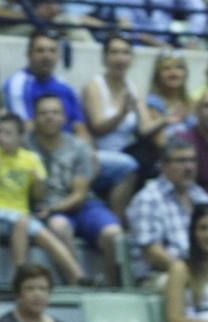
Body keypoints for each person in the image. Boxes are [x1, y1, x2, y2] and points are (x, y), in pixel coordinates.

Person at [0, 112, 87, 290]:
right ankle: (15, 279)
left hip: (20, 216)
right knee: (18, 222)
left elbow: (38, 196)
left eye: (7, 133)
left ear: (21, 137)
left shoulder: (31, 159)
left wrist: (37, 182)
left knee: (41, 232)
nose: (1, 137)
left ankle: (79, 277)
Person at [27, 94, 124, 287]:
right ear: (34, 118)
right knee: (59, 226)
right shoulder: (25, 146)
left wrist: (54, 209)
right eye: (43, 113)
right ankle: (78, 286)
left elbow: (79, 194)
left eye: (55, 112)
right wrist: (49, 210)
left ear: (64, 118)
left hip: (82, 205)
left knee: (113, 233)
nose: (49, 117)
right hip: (45, 208)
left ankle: (116, 289)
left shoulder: (78, 146)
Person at [126, 137, 208, 283]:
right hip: (160, 275)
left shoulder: (200, 196)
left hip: (199, 270)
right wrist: (189, 273)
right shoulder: (148, 198)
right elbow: (152, 253)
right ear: (164, 165)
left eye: (192, 160)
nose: (189, 167)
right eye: (181, 161)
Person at [79, 33, 144, 220]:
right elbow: (98, 127)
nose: (120, 58)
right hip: (97, 153)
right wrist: (121, 114)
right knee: (130, 165)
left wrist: (165, 121)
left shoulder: (133, 86)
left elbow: (144, 127)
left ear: (131, 58)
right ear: (105, 57)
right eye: (114, 52)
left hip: (125, 149)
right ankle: (118, 220)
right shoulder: (94, 85)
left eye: (125, 53)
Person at [2, 31, 90, 143]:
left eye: (52, 51)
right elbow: (25, 130)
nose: (47, 56)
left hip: (69, 151)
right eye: (40, 51)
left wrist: (88, 154)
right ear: (29, 54)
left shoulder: (64, 86)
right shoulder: (16, 84)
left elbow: (80, 127)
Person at [145, 51, 194, 143]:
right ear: (157, 75)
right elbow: (160, 143)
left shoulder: (191, 102)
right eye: (166, 69)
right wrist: (165, 120)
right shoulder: (152, 103)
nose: (174, 73)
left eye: (179, 68)